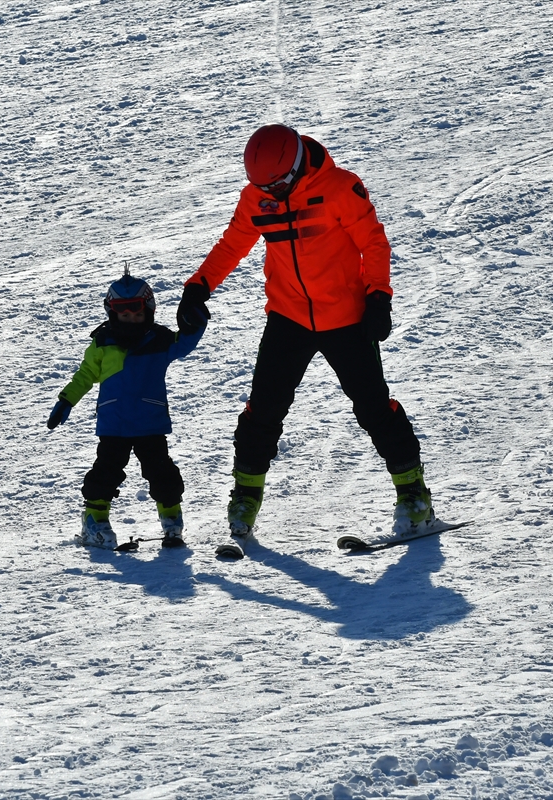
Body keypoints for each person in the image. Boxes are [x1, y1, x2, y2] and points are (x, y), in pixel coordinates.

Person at [175, 124, 435, 543]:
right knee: (262, 412)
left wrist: (379, 296)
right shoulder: (257, 197)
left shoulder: (340, 188)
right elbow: (233, 244)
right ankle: (246, 495)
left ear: (296, 168)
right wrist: (197, 287)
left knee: (373, 409)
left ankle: (413, 494)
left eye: (277, 185)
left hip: (347, 318)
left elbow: (374, 243)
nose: (271, 194)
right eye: (262, 186)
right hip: (289, 318)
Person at [48, 269, 205, 550]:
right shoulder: (102, 343)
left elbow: (184, 344)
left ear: (149, 311)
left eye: (137, 315)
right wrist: (66, 400)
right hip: (115, 424)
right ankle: (95, 521)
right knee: (106, 472)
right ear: (112, 314)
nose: (131, 320)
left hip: (149, 422)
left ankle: (172, 521)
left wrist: (196, 323)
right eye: (124, 315)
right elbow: (84, 376)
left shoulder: (159, 340)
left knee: (161, 472)